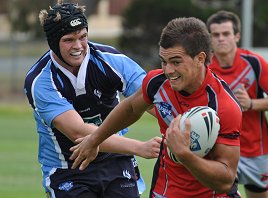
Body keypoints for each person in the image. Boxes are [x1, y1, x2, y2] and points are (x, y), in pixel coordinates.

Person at [70, 17, 243, 198]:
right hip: (166, 190)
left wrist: (185, 154)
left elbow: (225, 181)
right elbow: (130, 108)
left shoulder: (225, 106)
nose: (168, 70)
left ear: (200, 58)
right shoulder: (157, 82)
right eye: (164, 61)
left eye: (176, 62)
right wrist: (94, 140)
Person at [23, 1, 161, 198]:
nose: (78, 46)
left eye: (83, 37)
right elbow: (78, 132)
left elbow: (152, 98)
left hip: (116, 159)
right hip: (68, 168)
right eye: (69, 40)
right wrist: (140, 147)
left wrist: (181, 123)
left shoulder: (111, 60)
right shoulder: (41, 80)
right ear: (53, 42)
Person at [206, 10, 268, 198]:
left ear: (236, 36)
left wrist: (251, 103)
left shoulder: (253, 63)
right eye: (216, 35)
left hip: (256, 150)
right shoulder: (205, 68)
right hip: (221, 149)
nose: (221, 39)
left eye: (226, 34)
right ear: (209, 38)